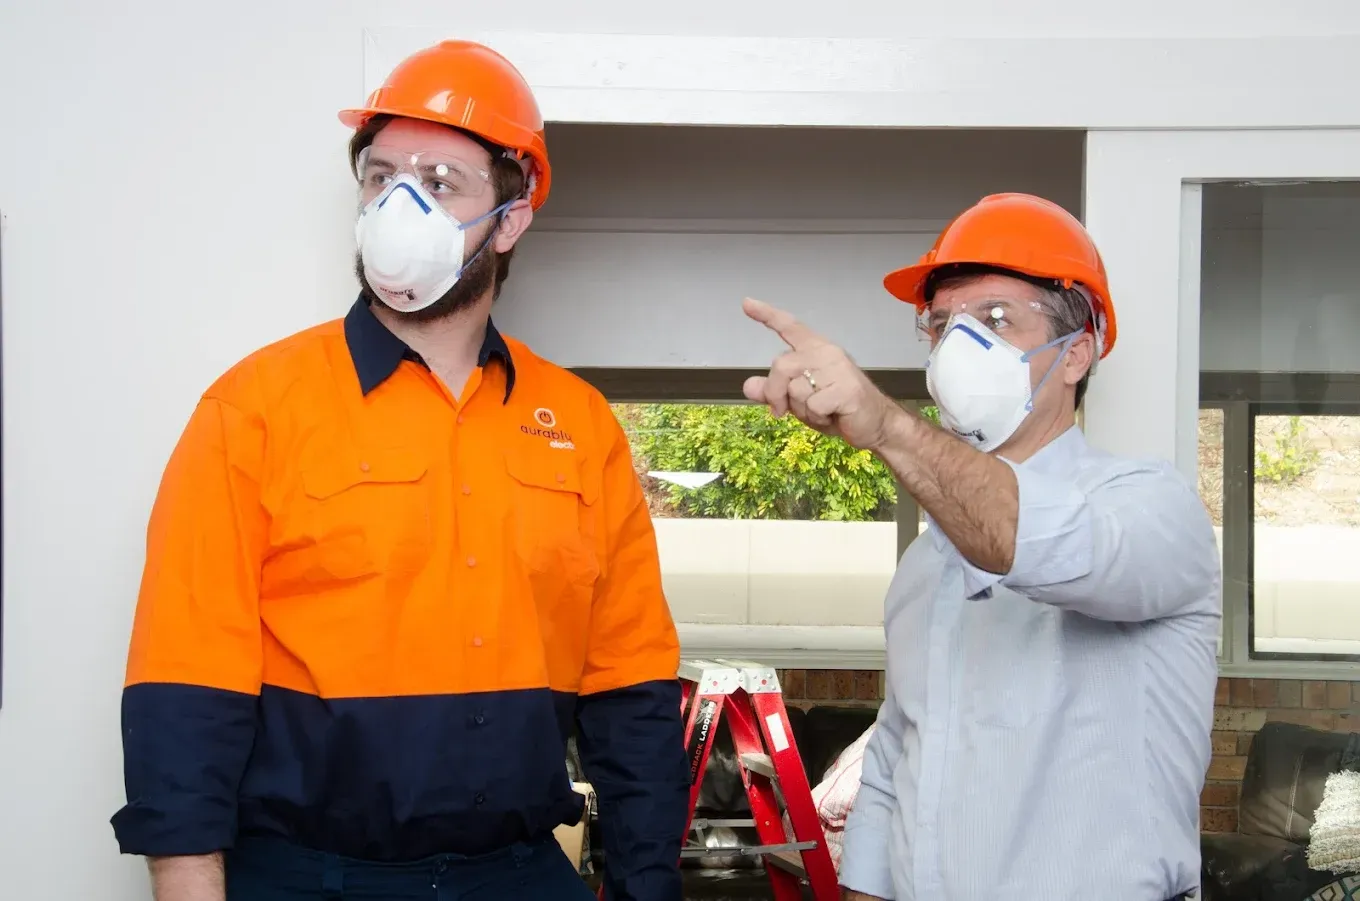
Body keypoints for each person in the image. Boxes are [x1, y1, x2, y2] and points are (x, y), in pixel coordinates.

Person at [111, 39, 689, 901]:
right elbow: (185, 680)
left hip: (521, 873)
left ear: (512, 215)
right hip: (306, 876)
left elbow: (629, 688)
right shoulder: (255, 407)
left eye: (440, 182)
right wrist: (187, 880)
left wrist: (648, 885)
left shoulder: (579, 425)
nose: (399, 205)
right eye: (382, 178)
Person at [739, 193, 1221, 901]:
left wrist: (886, 426)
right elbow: (896, 760)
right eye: (942, 325)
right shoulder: (925, 564)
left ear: (1075, 352)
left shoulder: (1152, 507)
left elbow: (1029, 540)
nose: (958, 346)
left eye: (995, 320)